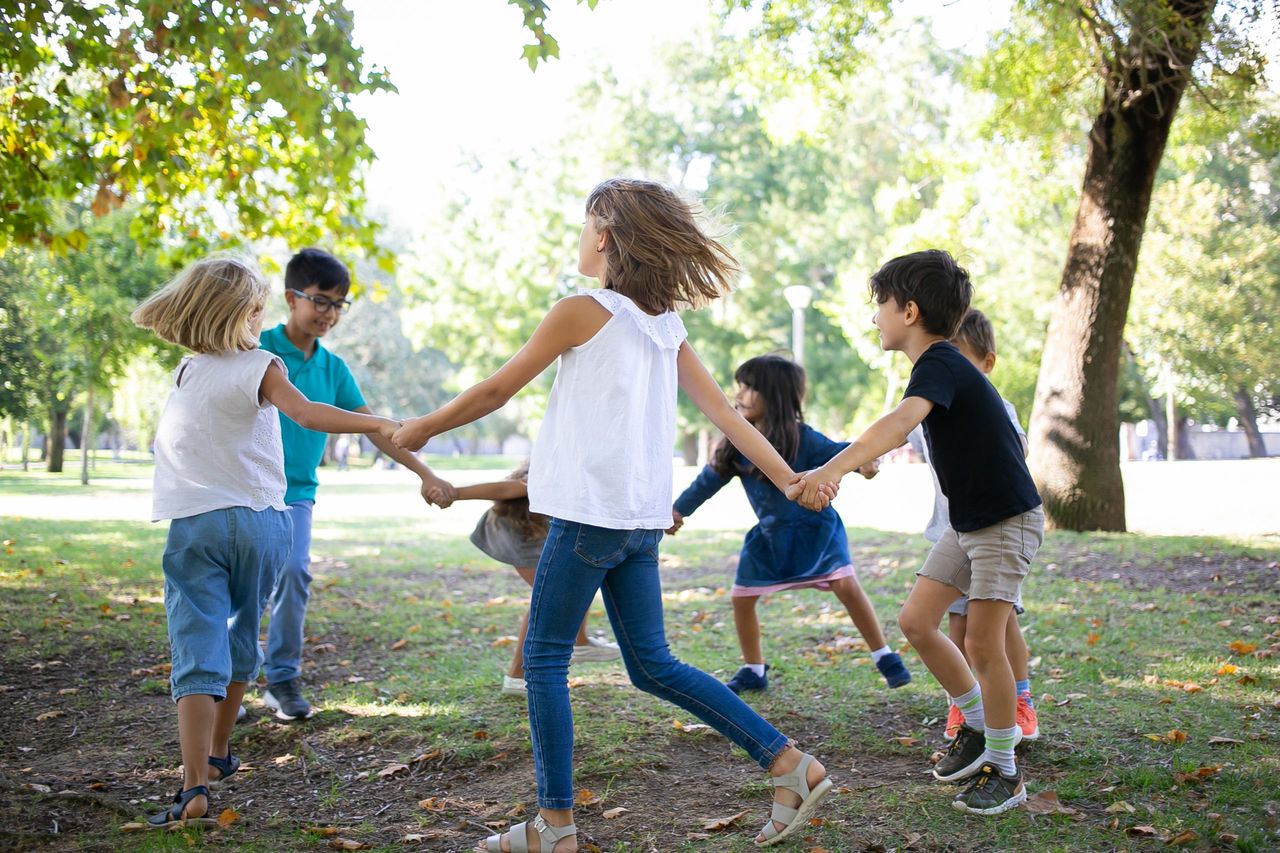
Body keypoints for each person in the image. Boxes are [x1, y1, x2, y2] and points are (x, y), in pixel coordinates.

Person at [393, 178, 836, 851]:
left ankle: (555, 824)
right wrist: (790, 476)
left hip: (591, 518)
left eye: (584, 222)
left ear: (604, 234)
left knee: (542, 660)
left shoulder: (581, 310)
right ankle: (789, 764)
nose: (578, 234)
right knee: (651, 664)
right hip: (637, 523)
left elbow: (496, 387)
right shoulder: (665, 327)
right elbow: (725, 417)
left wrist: (423, 426)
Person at [131, 255, 399, 828]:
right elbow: (304, 413)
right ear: (247, 314)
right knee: (243, 629)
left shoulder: (186, 373)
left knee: (197, 642)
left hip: (196, 525)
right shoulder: (262, 363)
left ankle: (194, 784)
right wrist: (377, 423)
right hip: (263, 522)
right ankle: (223, 749)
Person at [791, 250, 1044, 816]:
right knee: (916, 621)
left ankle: (1005, 767)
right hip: (969, 521)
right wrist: (852, 461)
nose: (874, 317)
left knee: (982, 641)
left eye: (879, 305)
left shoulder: (942, 362)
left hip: (1005, 521)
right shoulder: (938, 367)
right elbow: (900, 431)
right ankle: (978, 729)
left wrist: (832, 469)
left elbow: (901, 421)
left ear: (909, 310)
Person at [257, 248, 456, 720]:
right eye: (321, 301)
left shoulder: (333, 369)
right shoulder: (256, 350)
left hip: (297, 494)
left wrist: (426, 473)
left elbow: (376, 430)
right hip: (246, 492)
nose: (330, 313)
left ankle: (282, 678)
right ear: (291, 297)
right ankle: (226, 681)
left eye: (339, 304)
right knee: (243, 589)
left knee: (294, 574)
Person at [668, 354, 911, 693]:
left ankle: (884, 655)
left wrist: (866, 462)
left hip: (818, 532)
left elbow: (844, 453)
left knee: (846, 586)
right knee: (741, 598)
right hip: (770, 539)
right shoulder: (736, 445)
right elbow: (707, 482)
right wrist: (678, 510)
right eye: (739, 385)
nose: (739, 394)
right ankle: (753, 669)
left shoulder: (803, 438)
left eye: (749, 387)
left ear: (775, 396)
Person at [906, 310, 1039, 743]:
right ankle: (971, 710)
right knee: (948, 626)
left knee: (992, 633)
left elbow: (1012, 456)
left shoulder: (992, 404)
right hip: (954, 527)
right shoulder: (926, 393)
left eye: (960, 358)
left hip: (998, 523)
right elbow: (899, 432)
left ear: (986, 363)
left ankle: (1013, 715)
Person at [431, 461, 621, 696]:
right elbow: (507, 489)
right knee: (549, 597)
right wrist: (455, 493)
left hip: (539, 524)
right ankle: (516, 676)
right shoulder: (556, 469)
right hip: (518, 528)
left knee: (575, 586)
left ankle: (580, 644)